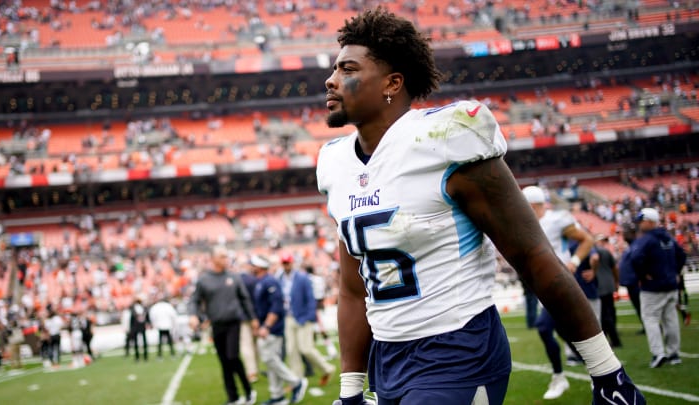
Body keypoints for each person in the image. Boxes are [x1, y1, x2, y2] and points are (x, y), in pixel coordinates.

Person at [316, 7, 644, 404]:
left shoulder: (444, 139)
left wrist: (607, 371)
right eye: (335, 69)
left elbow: (534, 256)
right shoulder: (336, 163)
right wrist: (351, 390)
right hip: (389, 358)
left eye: (347, 69)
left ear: (392, 82)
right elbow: (353, 290)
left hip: (460, 347)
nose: (331, 80)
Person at [523, 185, 597, 399]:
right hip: (543, 286)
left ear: (533, 205)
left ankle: (559, 376)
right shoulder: (526, 225)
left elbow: (587, 239)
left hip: (561, 282)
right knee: (567, 333)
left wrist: (573, 262)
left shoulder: (556, 220)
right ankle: (598, 371)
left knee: (544, 327)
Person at [190, 246, 258, 405]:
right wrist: (194, 315)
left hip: (234, 323)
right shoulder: (204, 279)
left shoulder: (234, 277)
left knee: (233, 356)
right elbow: (194, 300)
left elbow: (244, 299)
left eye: (226, 256)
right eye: (222, 256)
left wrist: (253, 318)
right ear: (213, 258)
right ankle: (233, 397)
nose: (226, 259)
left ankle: (248, 391)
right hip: (217, 325)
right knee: (224, 361)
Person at [628, 207, 686, 368]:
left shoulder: (646, 240)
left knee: (650, 318)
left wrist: (642, 275)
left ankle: (658, 353)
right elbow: (682, 255)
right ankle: (674, 353)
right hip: (671, 285)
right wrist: (675, 272)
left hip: (653, 287)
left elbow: (635, 258)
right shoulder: (668, 238)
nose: (639, 224)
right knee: (671, 319)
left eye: (642, 221)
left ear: (650, 222)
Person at [249, 254, 307, 405]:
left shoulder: (270, 281)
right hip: (265, 327)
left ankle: (296, 382)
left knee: (270, 358)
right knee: (270, 361)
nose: (251, 267)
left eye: (254, 265)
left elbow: (276, 306)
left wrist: (267, 326)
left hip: (272, 328)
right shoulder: (261, 282)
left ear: (260, 267)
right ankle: (278, 396)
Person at [277, 252, 336, 386]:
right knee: (292, 351)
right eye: (284, 263)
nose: (286, 265)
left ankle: (327, 368)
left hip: (303, 317)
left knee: (306, 349)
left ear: (292, 262)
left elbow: (311, 299)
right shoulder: (280, 278)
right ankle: (297, 381)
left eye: (288, 262)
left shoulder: (302, 278)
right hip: (288, 317)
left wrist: (309, 317)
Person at [592, 234, 622, 348]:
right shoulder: (606, 252)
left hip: (599, 285)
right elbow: (615, 268)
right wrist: (616, 281)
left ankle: (614, 339)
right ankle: (613, 335)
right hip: (608, 284)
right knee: (609, 312)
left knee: (604, 314)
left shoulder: (593, 252)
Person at [618, 222, 644, 334]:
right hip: (630, 283)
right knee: (638, 307)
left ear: (633, 233)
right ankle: (645, 326)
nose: (623, 235)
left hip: (636, 283)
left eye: (626, 233)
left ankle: (649, 326)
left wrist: (640, 279)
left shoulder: (638, 246)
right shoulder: (631, 247)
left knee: (642, 307)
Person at [129, 295, 150, 362]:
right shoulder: (136, 308)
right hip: (137, 326)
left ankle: (143, 356)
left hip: (139, 326)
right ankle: (140, 357)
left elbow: (132, 319)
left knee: (141, 342)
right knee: (138, 342)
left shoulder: (141, 308)